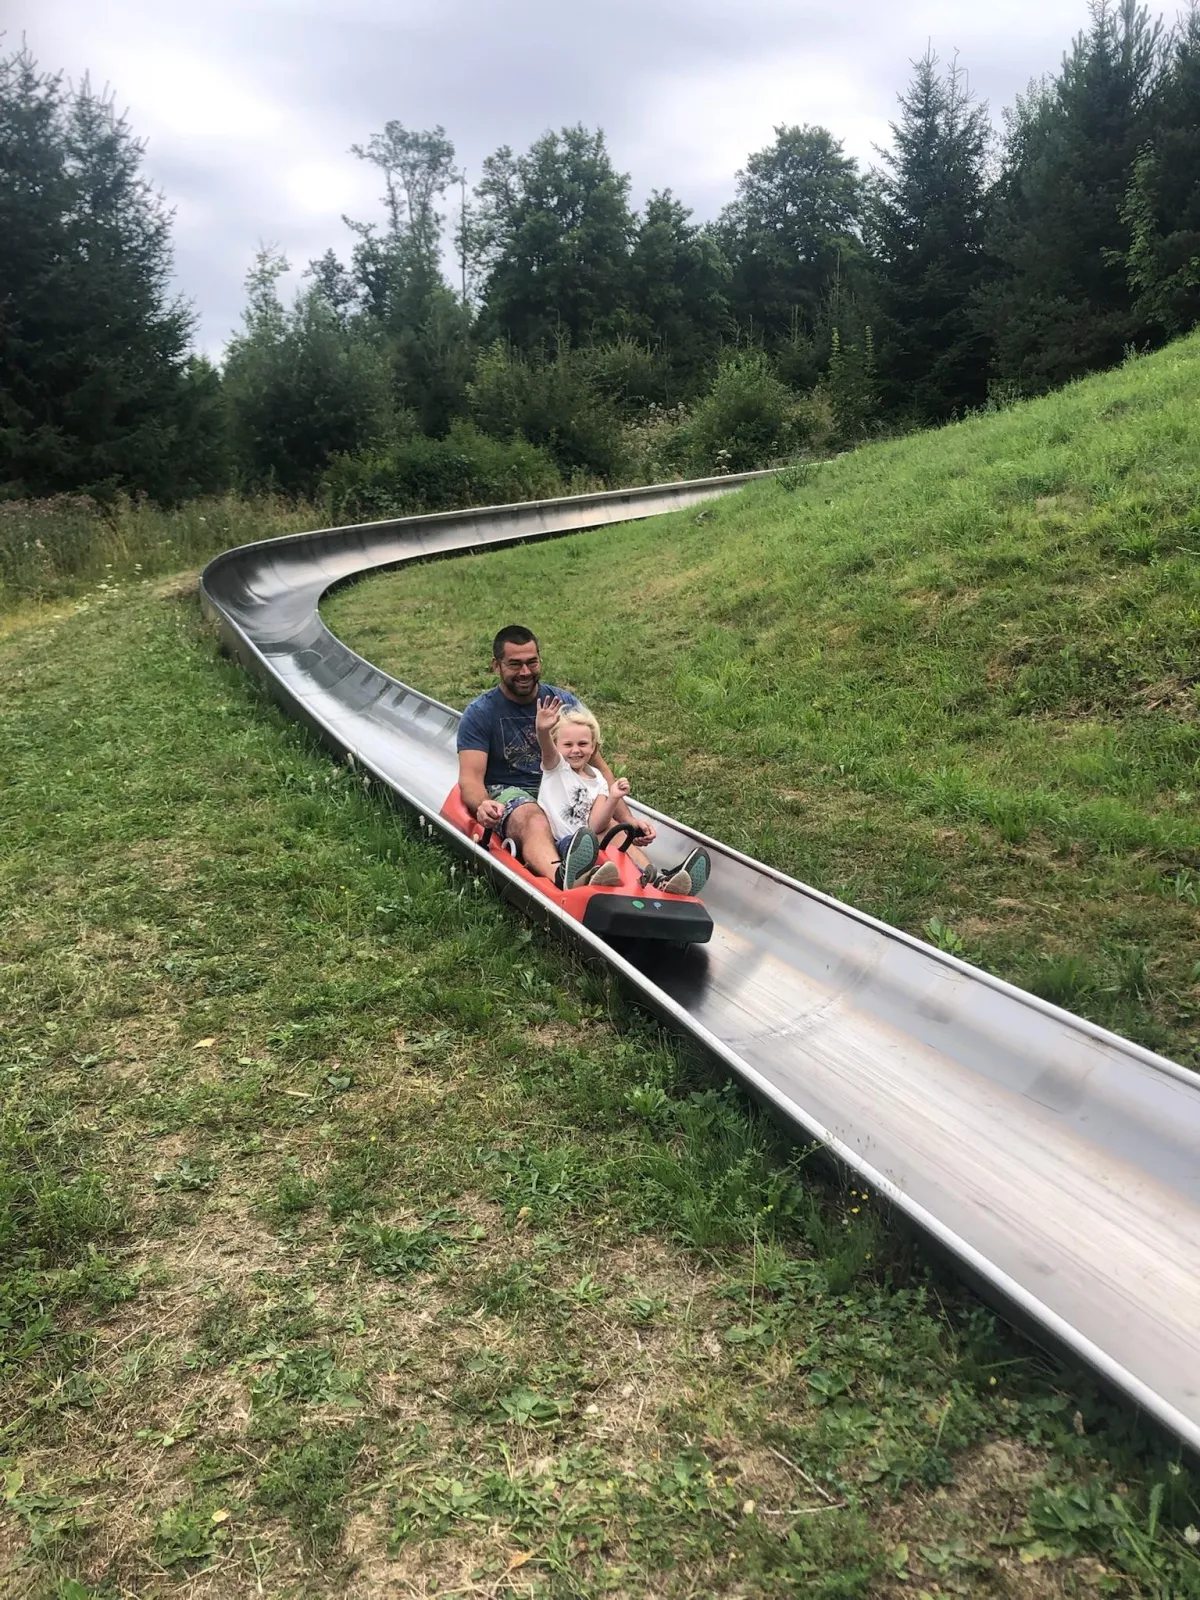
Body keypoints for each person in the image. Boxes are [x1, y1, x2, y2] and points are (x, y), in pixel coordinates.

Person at [456, 625, 613, 888]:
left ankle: (650, 878)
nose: (525, 672)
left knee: (608, 821)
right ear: (497, 666)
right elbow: (470, 779)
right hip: (511, 791)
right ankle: (561, 879)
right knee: (532, 816)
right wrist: (482, 804)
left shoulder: (562, 703)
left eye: (532, 662)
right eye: (515, 665)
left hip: (563, 786)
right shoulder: (480, 713)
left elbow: (598, 768)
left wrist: (629, 820)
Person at [536, 700, 711, 896]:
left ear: (593, 746)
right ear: (556, 745)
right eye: (568, 744)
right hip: (563, 844)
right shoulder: (556, 767)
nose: (576, 750)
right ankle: (592, 874)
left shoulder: (598, 780)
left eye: (583, 744)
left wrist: (613, 797)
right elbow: (547, 749)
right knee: (586, 843)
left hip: (590, 841)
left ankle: (657, 880)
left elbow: (596, 825)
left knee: (613, 832)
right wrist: (543, 731)